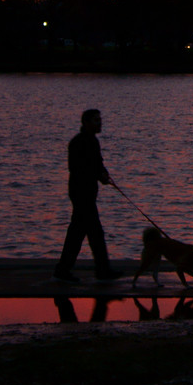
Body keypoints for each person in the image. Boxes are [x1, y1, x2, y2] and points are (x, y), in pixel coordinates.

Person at [54, 108, 119, 282]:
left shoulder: (92, 141)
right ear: (86, 122)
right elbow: (80, 168)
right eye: (96, 120)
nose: (100, 123)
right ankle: (100, 271)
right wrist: (100, 175)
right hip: (81, 193)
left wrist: (104, 174)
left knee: (83, 233)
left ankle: (94, 270)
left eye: (100, 119)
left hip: (86, 193)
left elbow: (98, 164)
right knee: (88, 233)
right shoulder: (79, 142)